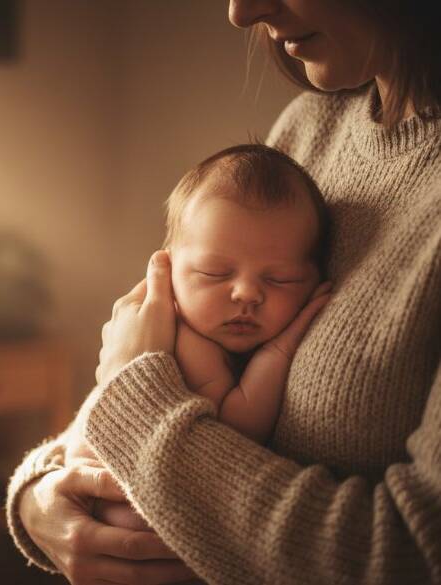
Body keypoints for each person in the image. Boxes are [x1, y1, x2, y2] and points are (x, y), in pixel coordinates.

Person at [6, 1, 441, 584]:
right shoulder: (312, 127)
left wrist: (130, 393)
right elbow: (138, 390)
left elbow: (410, 553)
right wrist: (40, 495)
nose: (241, 11)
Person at [64, 144, 333, 531]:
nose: (246, 294)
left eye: (280, 279)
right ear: (168, 268)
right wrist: (280, 348)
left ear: (313, 279)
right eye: (213, 273)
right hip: (123, 512)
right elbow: (238, 431)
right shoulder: (188, 341)